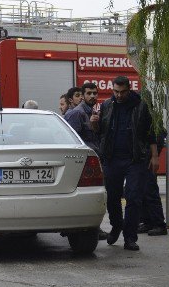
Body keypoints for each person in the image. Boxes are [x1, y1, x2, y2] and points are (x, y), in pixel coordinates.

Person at [99, 76, 159, 251]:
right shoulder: (107, 105)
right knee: (112, 197)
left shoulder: (141, 105)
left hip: (135, 158)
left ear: (129, 89)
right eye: (116, 92)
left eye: (122, 92)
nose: (119, 95)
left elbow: (151, 132)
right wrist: (95, 125)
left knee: (133, 197)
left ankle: (130, 238)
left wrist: (154, 156)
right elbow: (101, 132)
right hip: (112, 158)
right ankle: (117, 225)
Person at [64, 82, 106, 240]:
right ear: (82, 95)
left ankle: (95, 228)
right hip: (83, 162)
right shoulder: (77, 113)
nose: (92, 96)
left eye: (95, 93)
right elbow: (73, 141)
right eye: (89, 93)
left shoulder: (93, 112)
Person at [138, 128, 168, 236]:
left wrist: (153, 156)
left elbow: (159, 136)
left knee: (150, 190)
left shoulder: (150, 117)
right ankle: (148, 222)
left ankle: (159, 224)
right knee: (143, 191)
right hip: (142, 156)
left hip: (147, 156)